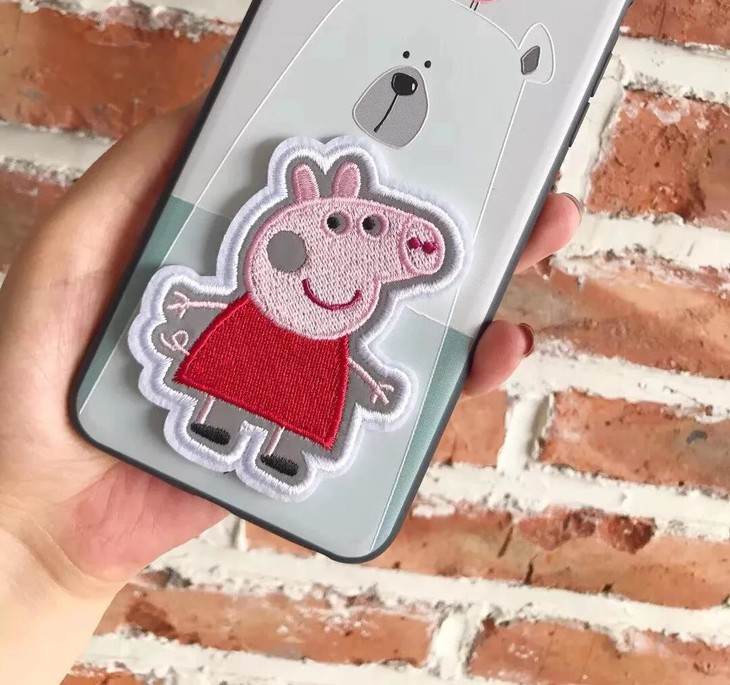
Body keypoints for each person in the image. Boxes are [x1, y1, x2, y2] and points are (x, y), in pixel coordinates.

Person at [0, 103, 581, 683]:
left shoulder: (349, 304)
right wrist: (27, 534)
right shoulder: (278, 253)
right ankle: (220, 422)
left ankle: (274, 446)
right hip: (248, 335)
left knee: (294, 410)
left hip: (309, 361)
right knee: (230, 383)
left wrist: (43, 560)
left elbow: (355, 353)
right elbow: (224, 298)